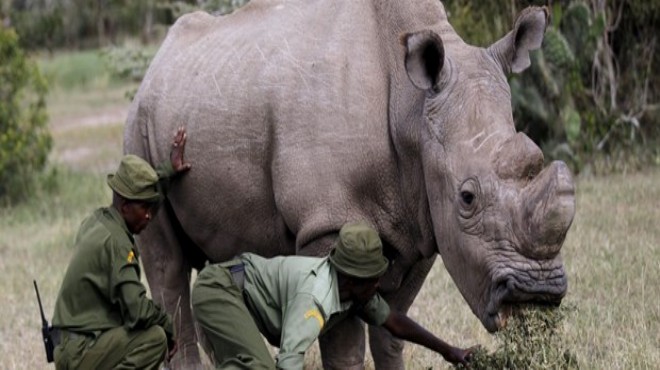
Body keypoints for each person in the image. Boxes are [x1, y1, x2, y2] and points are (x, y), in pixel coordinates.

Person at [192, 222, 476, 369]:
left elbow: (394, 322)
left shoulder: (354, 292)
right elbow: (289, 361)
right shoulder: (315, 298)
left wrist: (449, 350)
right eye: (373, 279)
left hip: (241, 293)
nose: (379, 285)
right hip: (221, 289)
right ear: (353, 279)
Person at [51, 127, 192, 370]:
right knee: (155, 338)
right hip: (82, 351)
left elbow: (142, 194)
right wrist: (168, 326)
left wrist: (168, 170)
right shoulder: (118, 245)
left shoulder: (97, 221)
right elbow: (137, 311)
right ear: (125, 206)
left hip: (68, 346)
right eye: (145, 209)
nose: (150, 216)